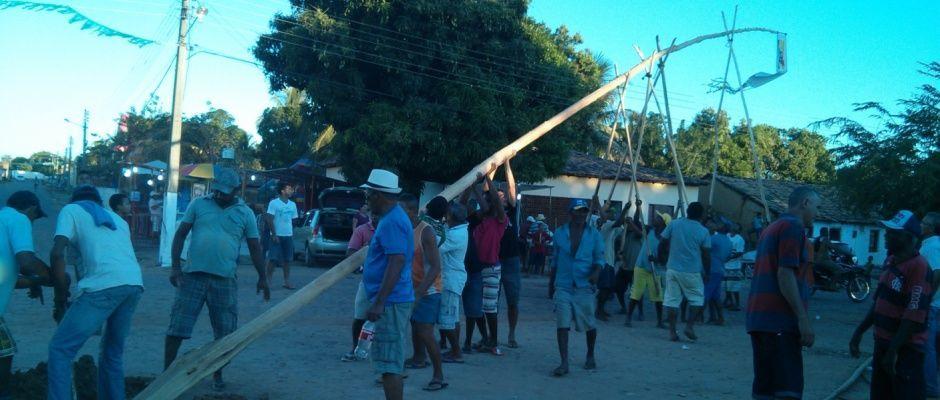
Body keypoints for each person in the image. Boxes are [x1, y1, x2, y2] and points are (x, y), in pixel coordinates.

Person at [164, 168, 270, 391]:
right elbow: (180, 235)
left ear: (235, 190)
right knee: (177, 327)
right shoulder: (198, 204)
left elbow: (254, 247)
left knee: (225, 332)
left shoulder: (245, 213)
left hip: (225, 280)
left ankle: (217, 374)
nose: (220, 195)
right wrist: (175, 267)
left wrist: (263, 277)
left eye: (225, 192)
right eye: (217, 190)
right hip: (192, 276)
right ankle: (165, 374)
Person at [48, 186, 144, 399]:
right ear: (100, 202)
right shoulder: (119, 221)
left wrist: (59, 298)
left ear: (74, 199)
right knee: (112, 353)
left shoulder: (70, 210)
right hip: (133, 283)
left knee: (60, 350)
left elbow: (57, 254)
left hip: (104, 285)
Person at [746, 187, 820, 400]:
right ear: (805, 203)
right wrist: (803, 319)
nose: (817, 212)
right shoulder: (792, 227)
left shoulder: (773, 227)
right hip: (779, 321)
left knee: (764, 390)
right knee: (787, 391)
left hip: (760, 320)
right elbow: (785, 274)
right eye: (816, 206)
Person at [849, 210, 930, 400]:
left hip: (905, 350)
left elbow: (913, 317)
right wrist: (859, 332)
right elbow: (878, 303)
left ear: (909, 239)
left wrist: (893, 350)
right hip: (883, 344)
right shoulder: (890, 261)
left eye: (893, 233)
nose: (886, 236)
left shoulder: (918, 267)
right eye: (887, 232)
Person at [360, 169, 414, 400]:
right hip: (391, 300)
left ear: (378, 195)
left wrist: (380, 302)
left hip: (390, 303)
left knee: (390, 365)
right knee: (388, 362)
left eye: (369, 194)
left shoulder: (392, 221)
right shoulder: (391, 217)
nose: (366, 199)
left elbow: (397, 261)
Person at [1, 191, 53, 399]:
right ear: (31, 209)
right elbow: (26, 261)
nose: (33, 222)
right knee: (5, 351)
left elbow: (9, 277)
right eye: (35, 217)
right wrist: (47, 278)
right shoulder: (19, 219)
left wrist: (33, 282)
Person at [548, 199, 604, 377]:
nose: (581, 214)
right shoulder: (559, 233)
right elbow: (555, 260)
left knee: (589, 324)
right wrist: (551, 284)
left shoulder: (594, 235)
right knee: (562, 324)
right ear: (570, 213)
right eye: (578, 211)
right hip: (563, 285)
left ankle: (590, 354)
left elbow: (599, 259)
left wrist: (596, 272)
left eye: (584, 211)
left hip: (584, 285)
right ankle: (564, 362)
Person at [401, 194, 447, 391]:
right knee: (415, 326)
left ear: (412, 211)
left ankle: (439, 375)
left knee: (426, 332)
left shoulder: (425, 232)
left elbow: (436, 266)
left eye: (402, 210)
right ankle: (419, 358)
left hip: (429, 290)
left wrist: (420, 291)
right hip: (410, 288)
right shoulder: (404, 229)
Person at [660, 202, 711, 342]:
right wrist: (707, 272)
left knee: (672, 300)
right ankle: (689, 326)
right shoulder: (703, 231)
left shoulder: (674, 224)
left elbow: (662, 241)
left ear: (687, 211)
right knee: (696, 299)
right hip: (692, 270)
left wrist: (662, 259)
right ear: (701, 215)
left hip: (673, 268)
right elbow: (706, 254)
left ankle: (672, 332)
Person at [473, 172, 508, 355]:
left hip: (492, 267)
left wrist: (488, 179)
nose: (487, 202)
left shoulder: (501, 219)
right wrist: (474, 185)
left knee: (489, 307)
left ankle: (493, 340)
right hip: (479, 267)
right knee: (478, 306)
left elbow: (492, 198)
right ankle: (486, 338)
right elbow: (481, 198)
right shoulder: (484, 219)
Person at [341, 210, 377, 362]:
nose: (376, 216)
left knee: (388, 321)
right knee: (360, 316)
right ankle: (356, 347)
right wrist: (367, 249)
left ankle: (381, 354)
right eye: (374, 214)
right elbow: (350, 254)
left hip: (390, 282)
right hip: (368, 281)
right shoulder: (362, 230)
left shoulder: (392, 229)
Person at [494, 160, 522, 349]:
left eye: (503, 195)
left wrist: (507, 165)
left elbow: (512, 187)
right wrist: (489, 172)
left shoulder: (511, 211)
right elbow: (485, 192)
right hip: (493, 260)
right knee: (491, 302)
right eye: (498, 195)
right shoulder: (489, 212)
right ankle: (492, 335)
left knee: (513, 300)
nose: (502, 196)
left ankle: (511, 334)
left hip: (511, 260)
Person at [626, 211, 671, 328]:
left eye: (659, 218)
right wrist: (638, 209)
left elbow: (665, 259)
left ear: (663, 223)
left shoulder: (666, 240)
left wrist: (656, 259)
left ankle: (660, 321)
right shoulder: (649, 230)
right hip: (641, 267)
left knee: (658, 296)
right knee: (636, 293)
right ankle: (628, 318)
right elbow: (637, 222)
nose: (655, 218)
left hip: (654, 270)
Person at [439, 201, 469, 363]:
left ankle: (456, 352)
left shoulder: (456, 234)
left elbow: (437, 246)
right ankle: (454, 350)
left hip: (451, 279)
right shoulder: (456, 230)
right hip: (451, 278)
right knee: (452, 317)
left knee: (447, 319)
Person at [919, 212, 940, 398]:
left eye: (924, 223)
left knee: (927, 347)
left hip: (933, 305)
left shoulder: (932, 246)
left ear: (931, 228)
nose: (920, 224)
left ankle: (930, 387)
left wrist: (927, 297)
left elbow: (937, 272)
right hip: (936, 304)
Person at [266, 181, 299, 289]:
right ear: (282, 190)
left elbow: (294, 220)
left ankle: (286, 281)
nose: (291, 191)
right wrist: (274, 234)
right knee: (273, 258)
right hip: (276, 235)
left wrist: (290, 231)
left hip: (288, 235)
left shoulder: (292, 205)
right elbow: (269, 219)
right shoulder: (274, 203)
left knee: (287, 259)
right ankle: (268, 280)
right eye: (289, 188)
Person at [595, 205, 623, 321]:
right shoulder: (606, 226)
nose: (612, 214)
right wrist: (625, 210)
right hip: (605, 261)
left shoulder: (610, 227)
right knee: (605, 288)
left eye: (613, 213)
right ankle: (598, 310)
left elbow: (620, 228)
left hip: (610, 261)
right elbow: (617, 223)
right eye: (609, 212)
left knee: (608, 289)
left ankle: (600, 309)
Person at [706, 221, 732, 325]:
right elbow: (728, 257)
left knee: (706, 294)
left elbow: (704, 250)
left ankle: (695, 318)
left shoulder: (714, 238)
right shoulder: (729, 242)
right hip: (720, 269)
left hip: (711, 269)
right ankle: (718, 317)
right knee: (715, 296)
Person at [724, 224, 746, 311]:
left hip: (734, 266)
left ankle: (737, 304)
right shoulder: (727, 236)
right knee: (727, 286)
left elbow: (740, 253)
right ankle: (730, 302)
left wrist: (729, 258)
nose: (733, 227)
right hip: (726, 266)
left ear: (738, 229)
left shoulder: (739, 239)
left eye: (736, 226)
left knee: (735, 287)